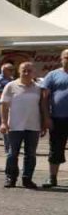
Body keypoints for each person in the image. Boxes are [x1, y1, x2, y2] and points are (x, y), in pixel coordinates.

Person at [0, 61, 48, 189]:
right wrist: (3, 123)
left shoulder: (38, 88)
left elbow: (42, 107)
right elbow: (4, 106)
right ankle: (11, 178)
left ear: (34, 72)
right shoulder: (10, 86)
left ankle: (27, 179)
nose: (26, 73)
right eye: (23, 70)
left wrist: (44, 123)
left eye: (29, 71)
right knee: (12, 154)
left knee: (30, 154)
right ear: (19, 72)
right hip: (14, 125)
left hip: (33, 126)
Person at [37, 48, 68, 189]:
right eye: (66, 57)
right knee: (55, 148)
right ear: (61, 59)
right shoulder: (53, 75)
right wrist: (46, 118)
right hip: (58, 118)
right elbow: (44, 99)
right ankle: (52, 178)